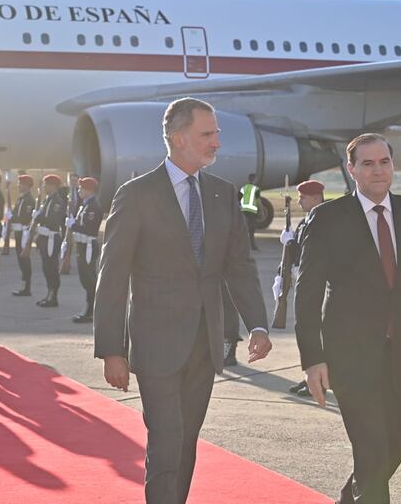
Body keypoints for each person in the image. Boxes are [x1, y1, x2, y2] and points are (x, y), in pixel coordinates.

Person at [94, 97, 272, 504]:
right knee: (167, 440)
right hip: (155, 343)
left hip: (203, 345)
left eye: (217, 134)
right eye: (206, 134)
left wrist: (257, 324)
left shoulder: (224, 195)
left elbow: (239, 267)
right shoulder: (136, 194)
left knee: (186, 442)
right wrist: (111, 349)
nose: (216, 143)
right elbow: (113, 276)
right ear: (178, 138)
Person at [294, 133, 401, 504]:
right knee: (371, 451)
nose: (377, 170)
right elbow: (306, 295)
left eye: (384, 162)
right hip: (350, 357)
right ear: (352, 170)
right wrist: (313, 358)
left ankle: (349, 498)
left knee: (396, 447)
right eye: (367, 163)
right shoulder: (327, 218)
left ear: (393, 166)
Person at [281, 179, 324, 396]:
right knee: (303, 329)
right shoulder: (305, 221)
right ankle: (310, 373)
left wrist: (290, 243)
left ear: (316, 198)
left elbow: (311, 252)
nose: (299, 201)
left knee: (314, 331)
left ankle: (319, 379)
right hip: (302, 281)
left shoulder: (323, 220)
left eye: (303, 197)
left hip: (317, 286)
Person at [66, 177, 103, 323]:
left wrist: (73, 225)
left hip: (88, 246)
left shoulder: (93, 206)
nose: (79, 190)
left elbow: (89, 228)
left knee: (89, 280)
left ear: (89, 190)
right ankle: (89, 308)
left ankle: (91, 310)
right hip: (82, 245)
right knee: (85, 278)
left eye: (82, 188)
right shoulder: (85, 205)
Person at [34, 174, 67, 307]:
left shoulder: (57, 202)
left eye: (46, 184)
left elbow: (53, 220)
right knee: (46, 267)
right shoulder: (47, 200)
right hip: (44, 237)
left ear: (53, 185)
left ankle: (53, 296)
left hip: (52, 238)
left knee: (51, 268)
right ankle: (49, 293)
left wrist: (39, 217)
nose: (44, 187)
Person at [9, 174, 36, 296]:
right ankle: (24, 285)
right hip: (18, 232)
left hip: (24, 232)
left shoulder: (29, 200)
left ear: (27, 185)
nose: (18, 186)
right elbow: (16, 214)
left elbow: (26, 217)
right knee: (21, 260)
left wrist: (15, 219)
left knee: (24, 260)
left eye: (21, 184)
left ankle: (27, 287)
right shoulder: (21, 199)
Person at [239, 173, 260, 251]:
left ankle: (243, 246)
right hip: (252, 211)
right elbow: (259, 202)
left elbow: (238, 199)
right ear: (254, 179)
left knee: (245, 229)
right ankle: (252, 246)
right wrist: (261, 211)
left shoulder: (243, 188)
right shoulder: (256, 189)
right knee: (251, 230)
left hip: (244, 211)